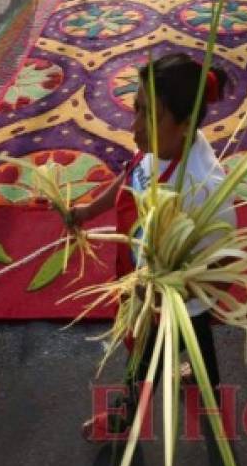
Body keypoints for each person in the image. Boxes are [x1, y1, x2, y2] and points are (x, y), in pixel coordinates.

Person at [73, 53, 236, 441]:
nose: (135, 129)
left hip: (170, 300)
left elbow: (227, 262)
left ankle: (123, 417)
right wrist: (87, 211)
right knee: (197, 335)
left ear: (184, 124)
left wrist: (165, 295)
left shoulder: (203, 187)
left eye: (150, 116)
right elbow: (131, 174)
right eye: (137, 109)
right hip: (145, 276)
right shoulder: (157, 147)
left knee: (143, 358)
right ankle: (204, 381)